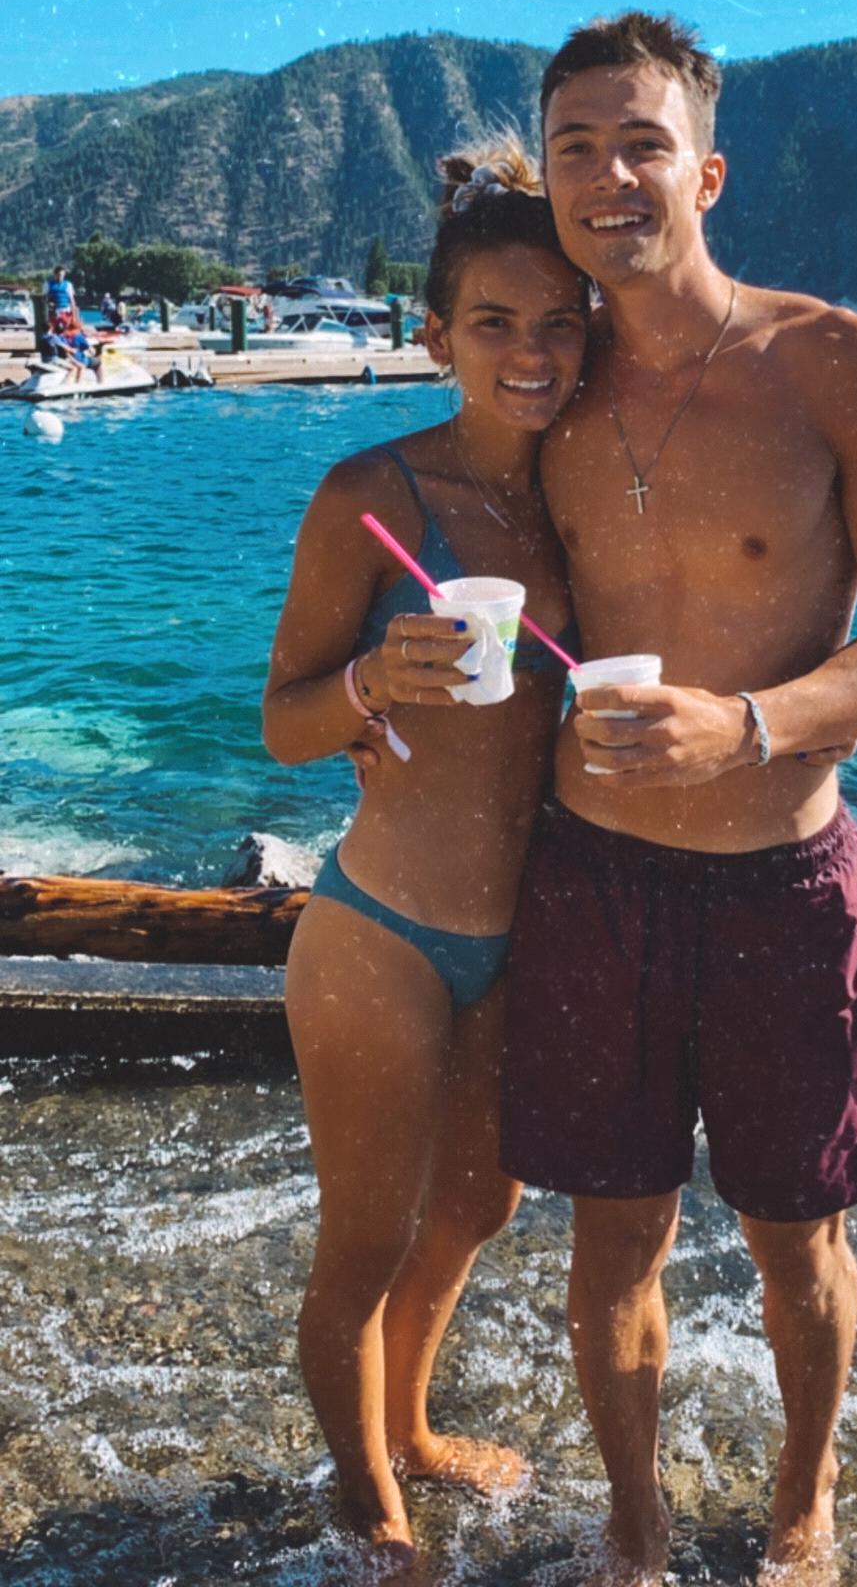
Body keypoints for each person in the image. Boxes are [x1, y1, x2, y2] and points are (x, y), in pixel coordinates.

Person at [499, 12, 857, 1586]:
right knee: (612, 1235)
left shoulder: (839, 362)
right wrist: (388, 691)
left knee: (796, 1236)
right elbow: (447, 535)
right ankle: (633, 1531)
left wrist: (751, 724)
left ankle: (801, 1504)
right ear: (548, 179)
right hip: (594, 880)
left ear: (708, 174)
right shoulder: (544, 381)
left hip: (783, 883)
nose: (608, 175)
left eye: (643, 143)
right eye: (575, 147)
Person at [262, 141, 588, 1569]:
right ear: (437, 334)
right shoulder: (371, 496)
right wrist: (365, 686)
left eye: (559, 322)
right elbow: (281, 723)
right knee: (366, 1242)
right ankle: (370, 1511)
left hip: (519, 932)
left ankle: (409, 1426)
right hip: (382, 928)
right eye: (493, 322)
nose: (531, 353)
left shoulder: (580, 492)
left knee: (478, 1205)